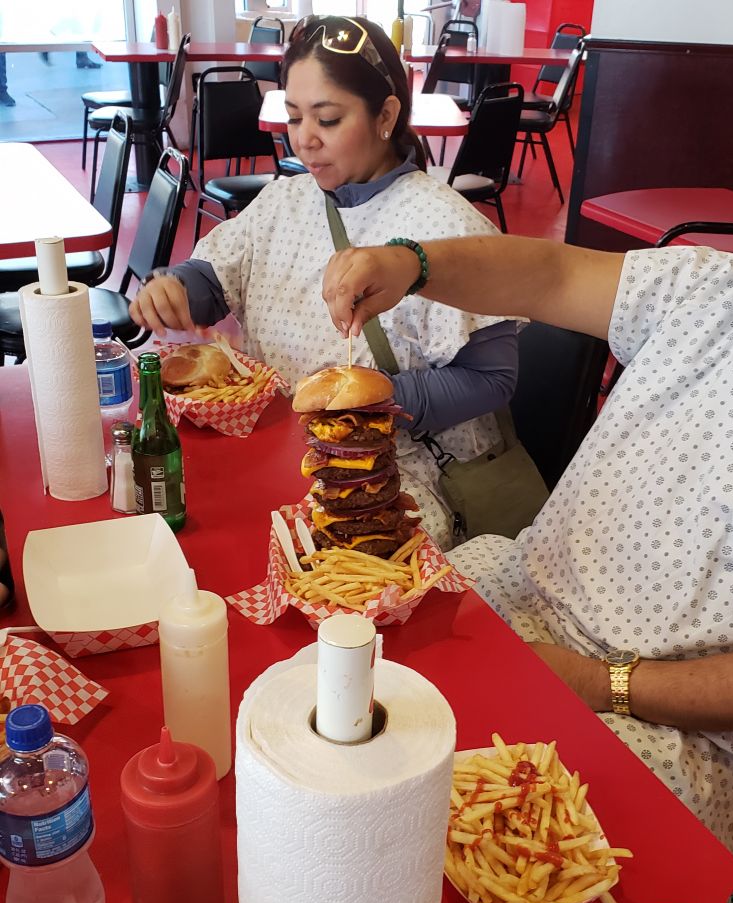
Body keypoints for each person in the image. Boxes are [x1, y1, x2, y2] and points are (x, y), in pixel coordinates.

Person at [322, 233, 733, 866]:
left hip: (665, 719)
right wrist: (411, 264)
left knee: (487, 849)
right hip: (518, 583)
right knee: (341, 704)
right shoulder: (721, 289)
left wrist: (602, 682)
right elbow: (554, 274)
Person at [129, 15, 521, 550]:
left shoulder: (447, 227)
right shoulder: (284, 200)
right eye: (293, 118)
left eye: (328, 119)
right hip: (280, 450)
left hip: (391, 476)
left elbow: (491, 378)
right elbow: (216, 277)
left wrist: (368, 410)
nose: (305, 140)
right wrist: (177, 288)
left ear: (386, 115)